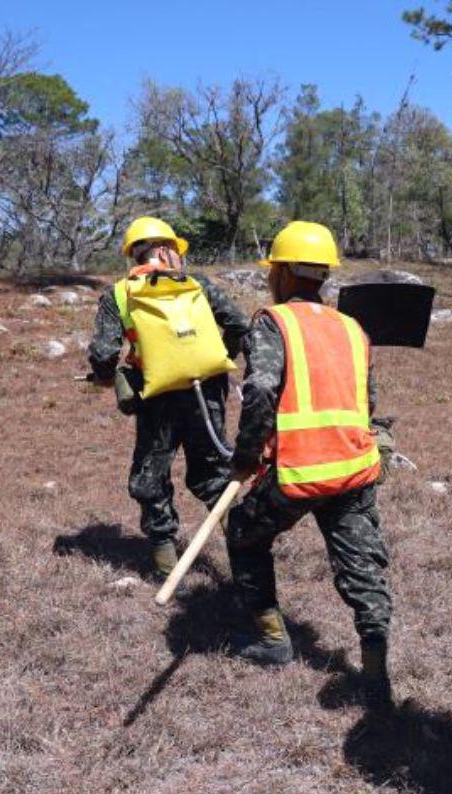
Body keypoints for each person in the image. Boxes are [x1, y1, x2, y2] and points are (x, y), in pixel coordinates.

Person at [225, 220, 396, 708]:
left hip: (298, 472)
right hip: (355, 468)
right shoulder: (352, 328)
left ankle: (273, 638)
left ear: (278, 272)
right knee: (363, 566)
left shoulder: (272, 323)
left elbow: (258, 390)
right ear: (322, 275)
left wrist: (246, 457)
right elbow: (367, 401)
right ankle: (375, 668)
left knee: (243, 530)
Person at [87, 216, 250, 577]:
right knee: (213, 475)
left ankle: (164, 564)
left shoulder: (119, 293)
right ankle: (244, 560)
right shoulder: (199, 284)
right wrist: (219, 359)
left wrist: (104, 378)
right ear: (172, 248)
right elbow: (240, 324)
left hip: (156, 397)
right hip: (206, 393)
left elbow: (102, 354)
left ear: (134, 254)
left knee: (151, 475)